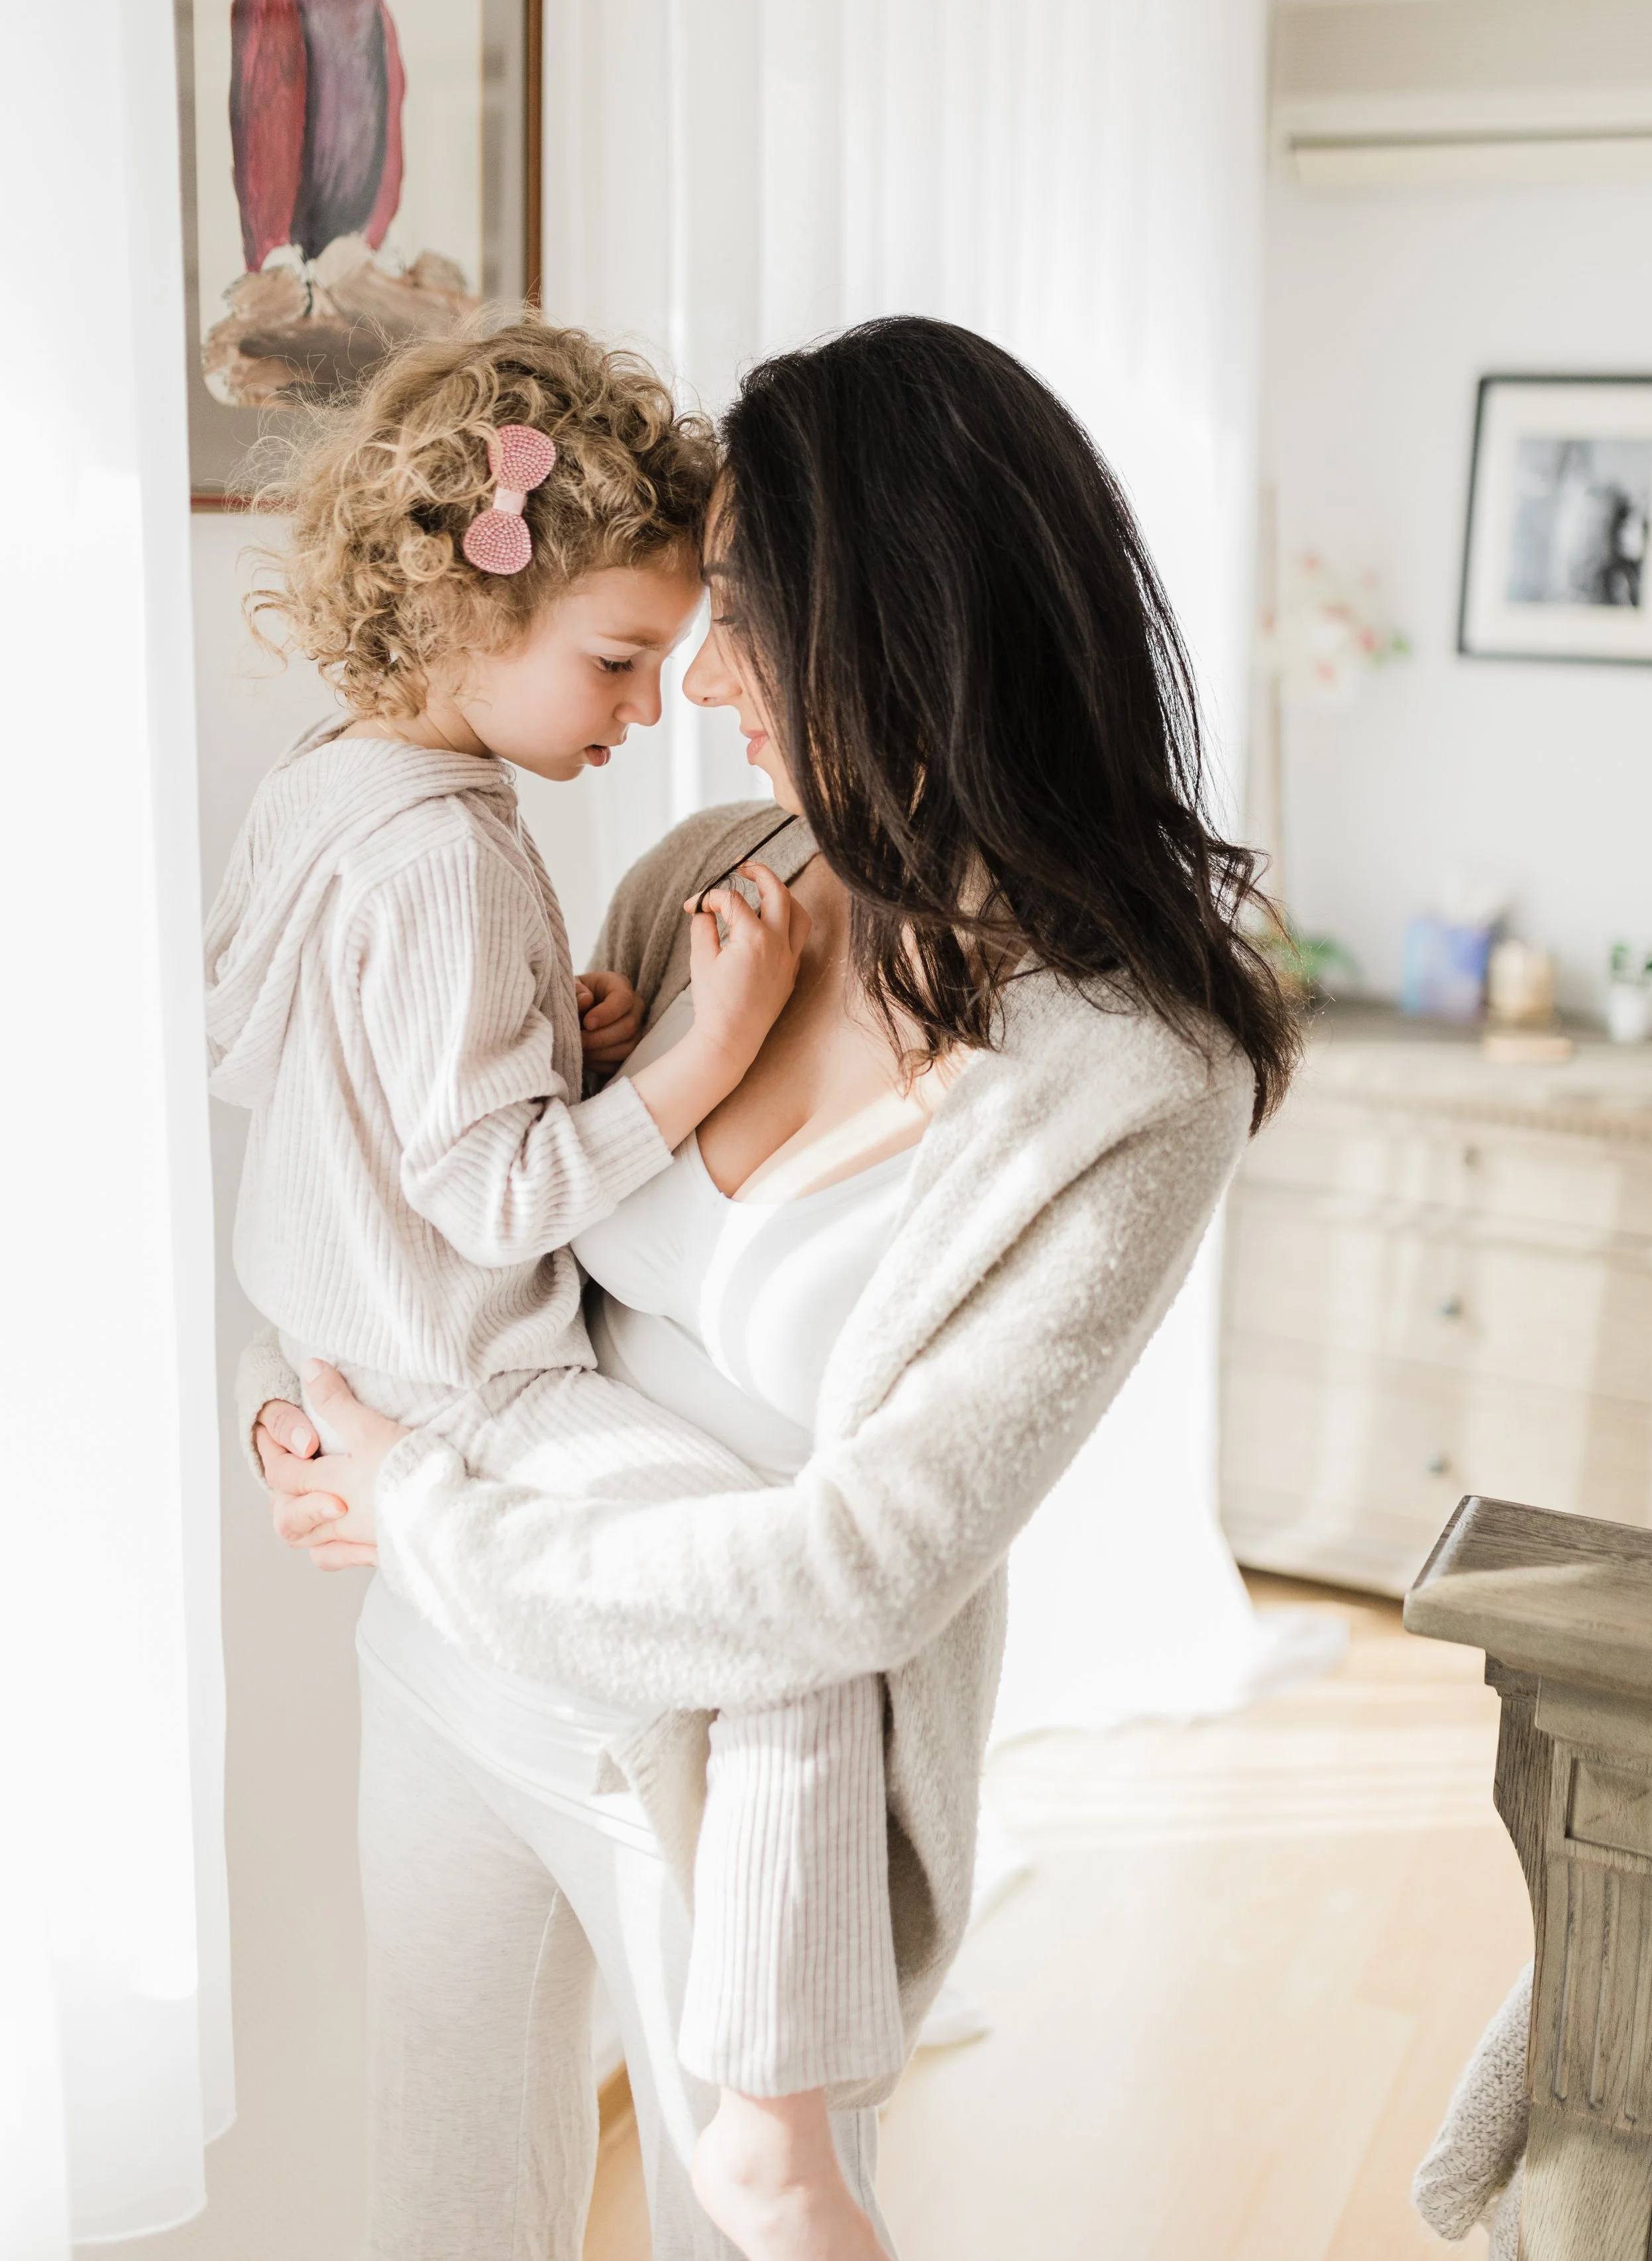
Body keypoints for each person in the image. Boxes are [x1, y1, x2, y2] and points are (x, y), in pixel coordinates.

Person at [252, 315, 1301, 2257]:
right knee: (443, 2207)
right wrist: (320, 1403)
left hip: (735, 1778)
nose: (701, 676)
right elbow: (469, 1219)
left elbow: (862, 1569)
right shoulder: (713, 874)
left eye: (740, 612)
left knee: (760, 2230)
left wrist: (410, 1503)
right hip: (454, 1666)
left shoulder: (1134, 1076)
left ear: (899, 623)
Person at [209, 318, 909, 2261]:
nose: (648, 706)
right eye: (613, 658)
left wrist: (554, 1033)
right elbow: (504, 1194)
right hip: (471, 1392)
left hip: (344, 1344)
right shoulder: (454, 854)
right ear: (468, 594)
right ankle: (784, 2104)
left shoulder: (330, 786)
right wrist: (704, 1043)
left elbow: (313, 1046)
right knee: (781, 1591)